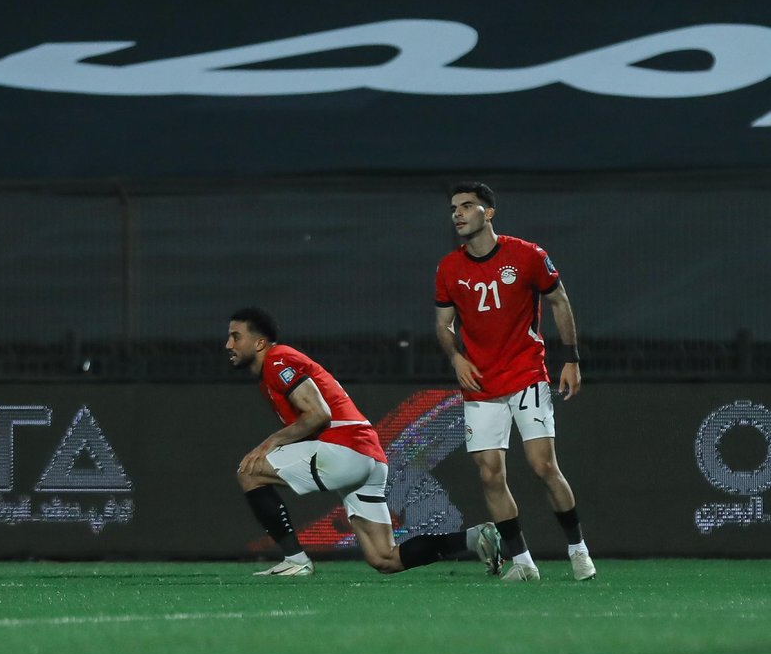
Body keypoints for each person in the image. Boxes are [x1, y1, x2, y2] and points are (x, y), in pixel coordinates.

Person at [227, 306, 502, 577]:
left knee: (249, 472)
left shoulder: (277, 360)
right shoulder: (275, 367)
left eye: (236, 336)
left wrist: (269, 444)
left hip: (344, 450)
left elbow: (318, 414)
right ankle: (474, 538)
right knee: (384, 558)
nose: (229, 344)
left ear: (260, 342)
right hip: (368, 457)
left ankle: (295, 560)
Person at [434, 182, 597, 582]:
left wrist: (571, 359)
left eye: (467, 206)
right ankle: (523, 563)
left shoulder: (527, 255)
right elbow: (443, 324)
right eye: (454, 207)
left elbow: (559, 300)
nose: (457, 213)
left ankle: (578, 551)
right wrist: (456, 357)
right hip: (480, 384)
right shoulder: (449, 268)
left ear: (488, 213)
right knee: (490, 474)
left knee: (543, 465)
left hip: (526, 374)